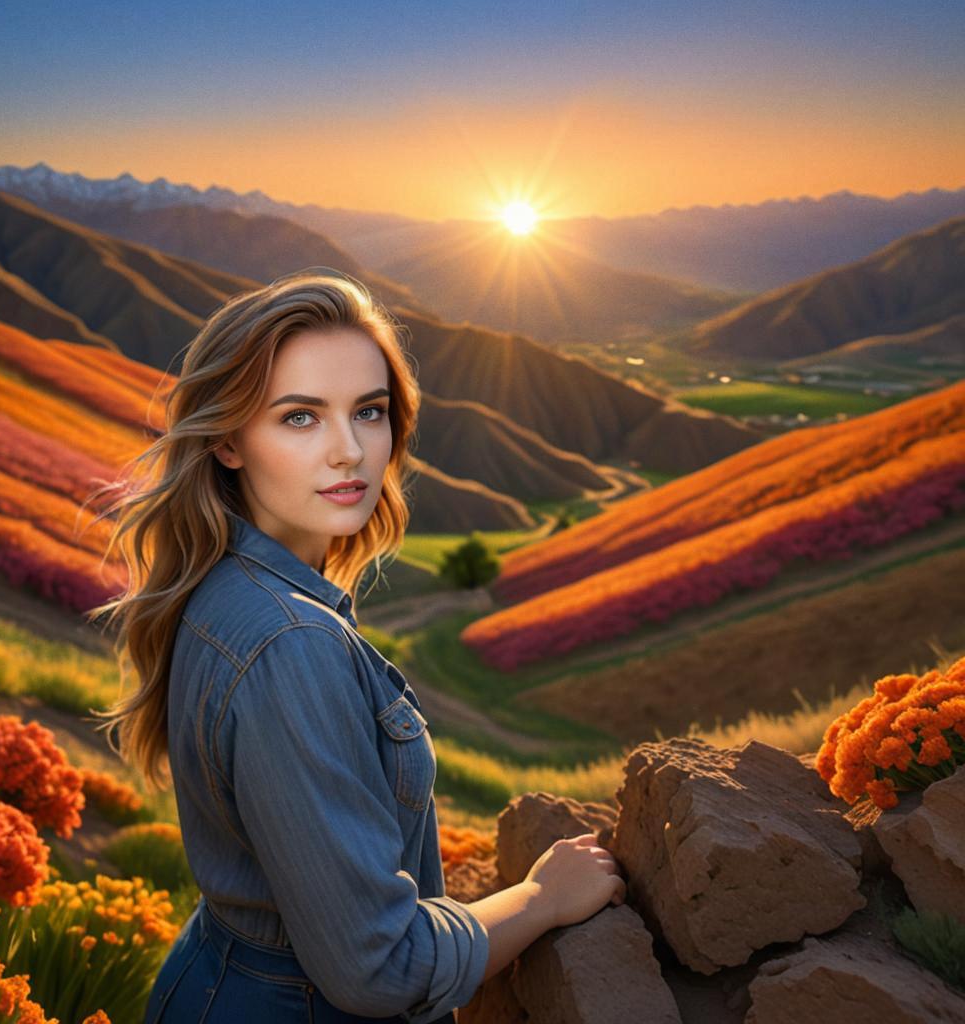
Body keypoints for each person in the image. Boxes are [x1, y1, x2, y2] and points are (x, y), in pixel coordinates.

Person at [88, 270, 625, 1024]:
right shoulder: (292, 644)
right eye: (300, 418)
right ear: (228, 442)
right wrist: (540, 898)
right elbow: (378, 966)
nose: (349, 451)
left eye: (368, 412)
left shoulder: (227, 586)